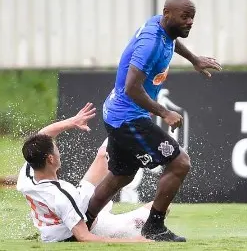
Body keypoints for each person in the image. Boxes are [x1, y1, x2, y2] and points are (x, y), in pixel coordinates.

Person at [86, 0, 221, 242]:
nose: (190, 21)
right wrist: (164, 112)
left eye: (192, 17)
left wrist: (194, 59)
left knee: (122, 175)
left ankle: (83, 223)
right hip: (128, 118)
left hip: (117, 114)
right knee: (180, 162)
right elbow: (132, 87)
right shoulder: (149, 43)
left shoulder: (162, 25)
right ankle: (154, 227)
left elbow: (172, 40)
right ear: (167, 14)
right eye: (185, 17)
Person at [16, 103, 155, 243]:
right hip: (86, 228)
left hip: (71, 210)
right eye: (56, 149)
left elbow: (43, 135)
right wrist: (134, 241)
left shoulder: (28, 174)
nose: (59, 151)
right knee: (157, 208)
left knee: (103, 155)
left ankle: (132, 122)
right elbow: (84, 237)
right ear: (50, 159)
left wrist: (72, 122)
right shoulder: (62, 194)